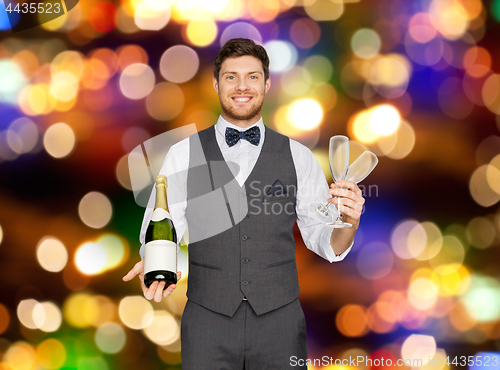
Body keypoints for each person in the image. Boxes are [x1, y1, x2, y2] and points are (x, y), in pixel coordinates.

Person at [123, 38, 365, 369]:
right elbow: (161, 227)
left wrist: (349, 222)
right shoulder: (184, 154)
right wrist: (152, 262)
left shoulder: (298, 156)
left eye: (252, 76)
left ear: (266, 84)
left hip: (280, 322)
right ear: (216, 83)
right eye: (230, 76)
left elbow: (326, 243)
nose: (241, 86)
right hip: (207, 322)